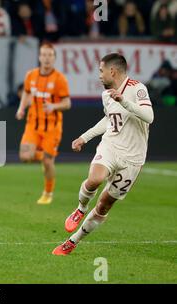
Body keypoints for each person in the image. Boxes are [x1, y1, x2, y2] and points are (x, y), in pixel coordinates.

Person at [52, 53, 154, 255]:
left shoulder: (137, 88)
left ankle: (73, 241)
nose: (99, 75)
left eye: (101, 70)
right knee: (94, 179)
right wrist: (85, 137)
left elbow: (149, 117)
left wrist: (124, 101)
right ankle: (80, 208)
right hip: (111, 145)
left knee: (104, 205)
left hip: (133, 158)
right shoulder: (106, 94)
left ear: (112, 71)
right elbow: (109, 119)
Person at [16, 43, 71, 205]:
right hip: (32, 124)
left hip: (52, 127)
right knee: (25, 156)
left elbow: (67, 103)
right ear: (39, 57)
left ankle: (48, 193)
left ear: (54, 58)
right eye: (44, 55)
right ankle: (44, 157)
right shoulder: (31, 75)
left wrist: (54, 106)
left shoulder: (60, 79)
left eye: (50, 55)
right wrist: (21, 109)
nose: (46, 58)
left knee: (48, 162)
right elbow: (26, 94)